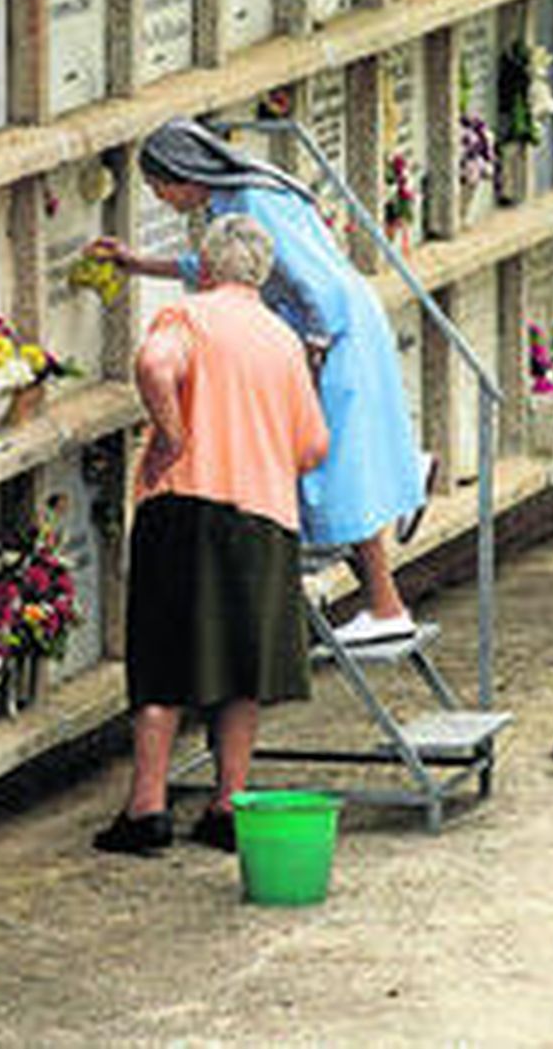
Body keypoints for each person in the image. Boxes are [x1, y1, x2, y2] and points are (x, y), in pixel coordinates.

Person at [88, 116, 433, 646]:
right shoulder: (240, 193)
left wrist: (313, 351)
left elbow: (309, 281)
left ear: (184, 173)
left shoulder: (249, 201)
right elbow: (218, 268)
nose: (160, 198)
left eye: (159, 186)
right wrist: (139, 265)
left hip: (336, 331)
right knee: (342, 463)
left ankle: (386, 606)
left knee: (333, 474)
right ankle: (406, 486)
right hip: (346, 322)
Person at [94, 214, 330, 856]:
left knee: (162, 659)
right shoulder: (283, 340)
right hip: (263, 518)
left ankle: (147, 810)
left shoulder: (188, 318)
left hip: (183, 507)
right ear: (262, 274)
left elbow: (153, 364)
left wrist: (172, 436)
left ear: (206, 265)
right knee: (241, 667)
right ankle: (228, 805)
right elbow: (313, 446)